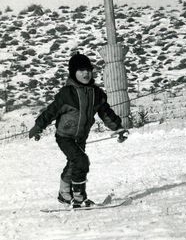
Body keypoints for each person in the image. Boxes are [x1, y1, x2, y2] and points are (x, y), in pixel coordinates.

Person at [29, 52, 128, 208]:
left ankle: (64, 194)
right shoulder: (67, 94)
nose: (86, 73)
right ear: (73, 73)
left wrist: (119, 128)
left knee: (74, 164)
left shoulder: (96, 94)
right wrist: (38, 126)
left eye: (88, 70)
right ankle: (79, 198)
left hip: (81, 136)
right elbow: (51, 111)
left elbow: (106, 113)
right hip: (65, 137)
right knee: (81, 161)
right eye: (81, 70)